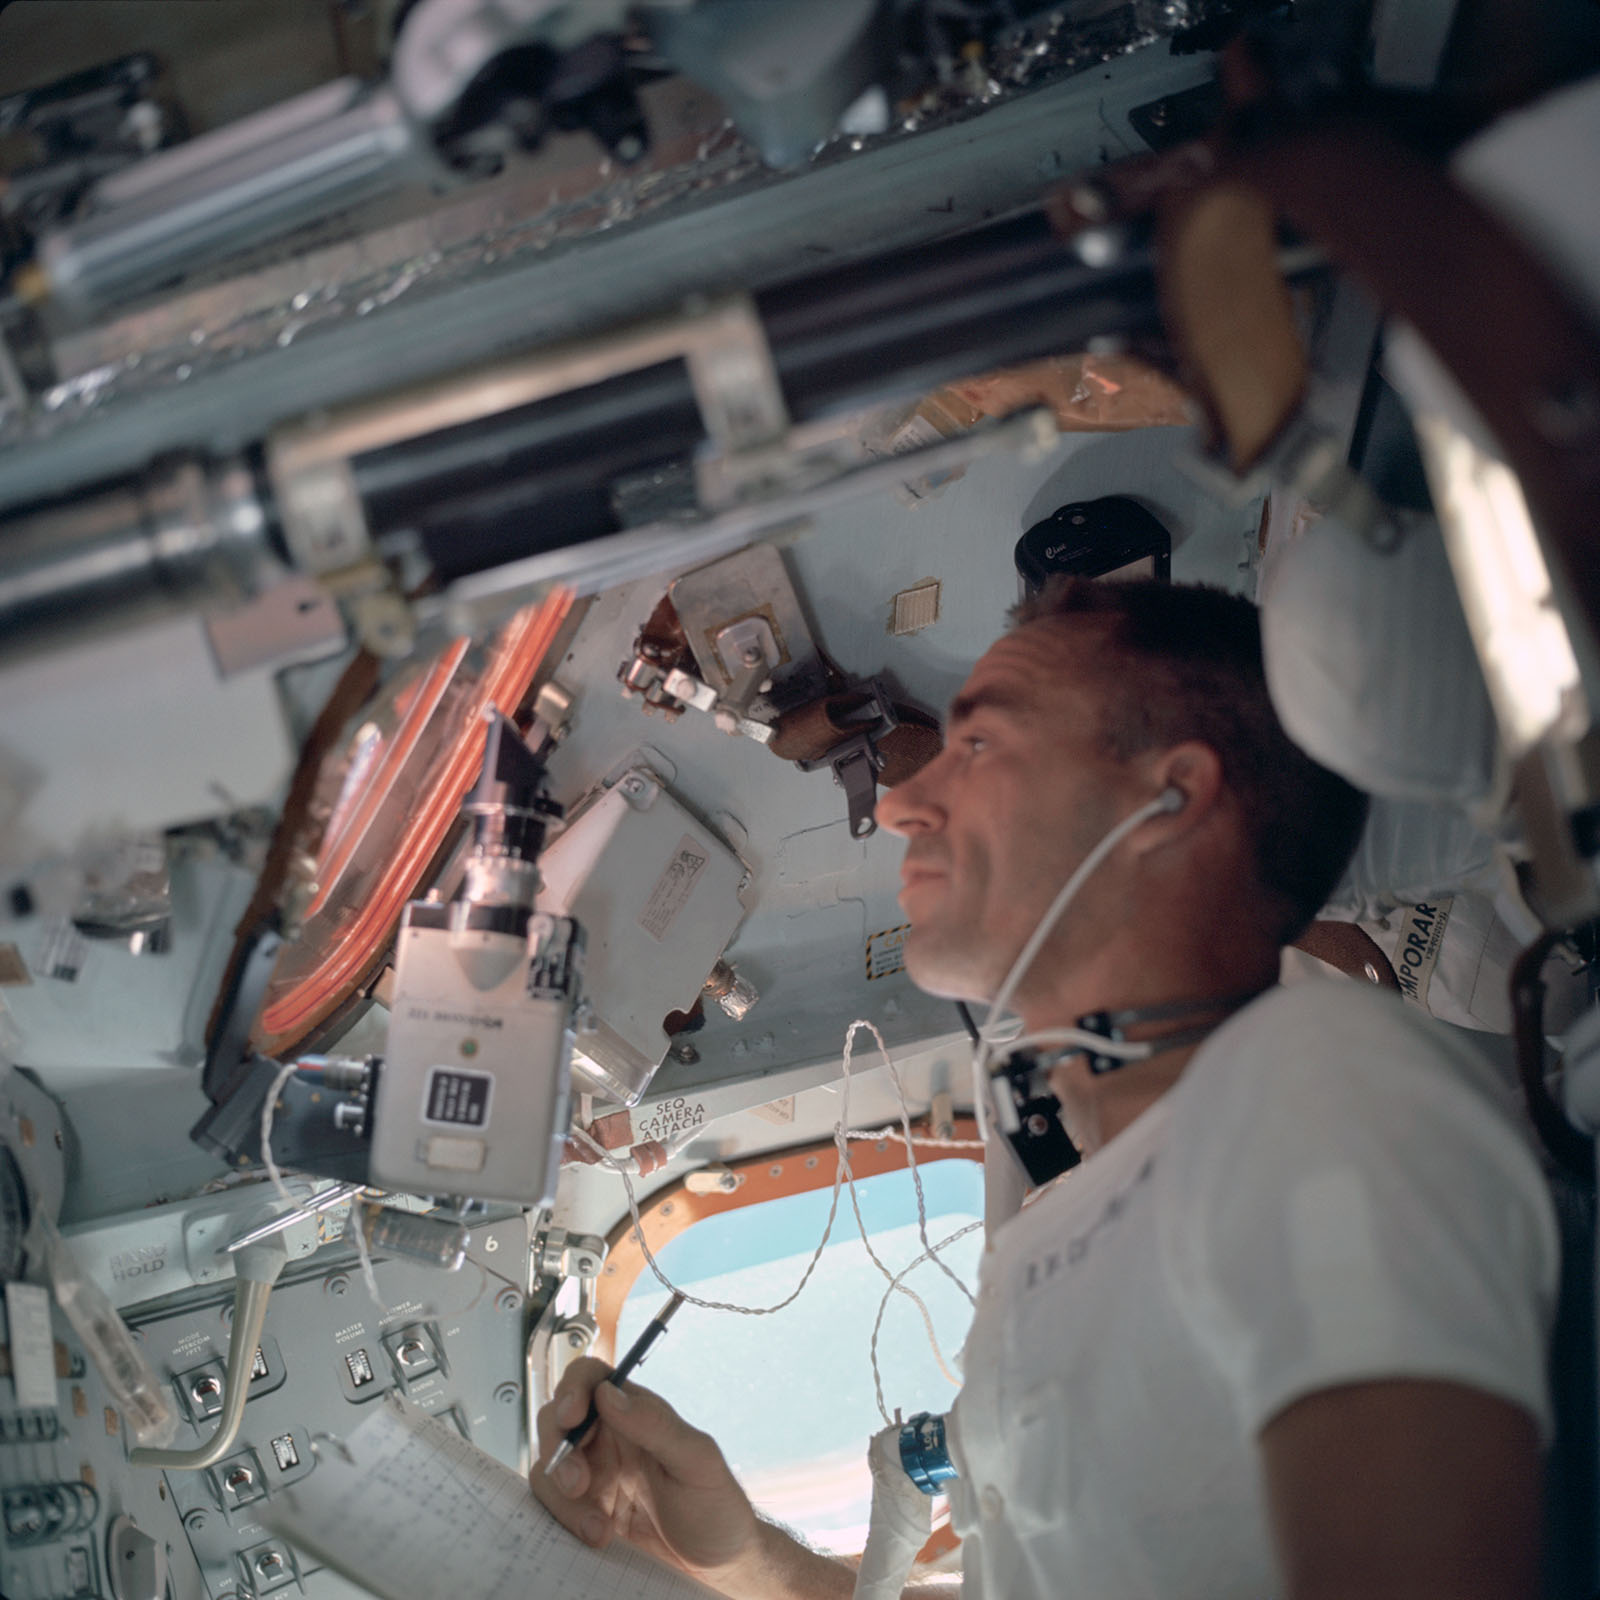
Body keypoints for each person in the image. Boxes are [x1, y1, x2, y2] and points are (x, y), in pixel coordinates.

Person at [532, 577, 1558, 1600]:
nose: (899, 805)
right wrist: (727, 1557)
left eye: (980, 748)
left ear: (1171, 800)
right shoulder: (1052, 1234)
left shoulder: (1321, 1097)